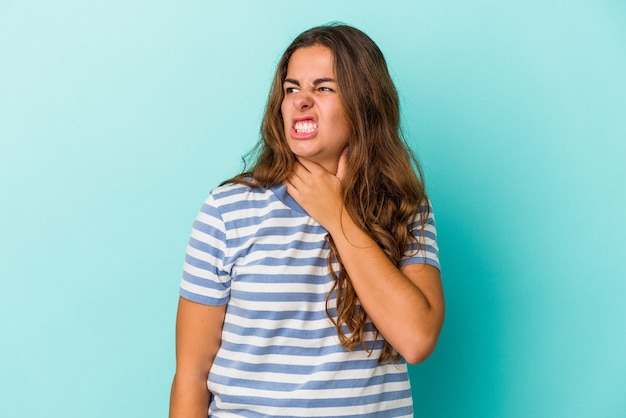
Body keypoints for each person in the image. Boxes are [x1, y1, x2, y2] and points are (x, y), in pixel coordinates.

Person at [169, 24, 445, 417]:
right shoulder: (229, 210)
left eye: (323, 88)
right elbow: (191, 375)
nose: (301, 101)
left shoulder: (403, 207)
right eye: (292, 88)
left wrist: (338, 216)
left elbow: (417, 339)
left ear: (363, 102)